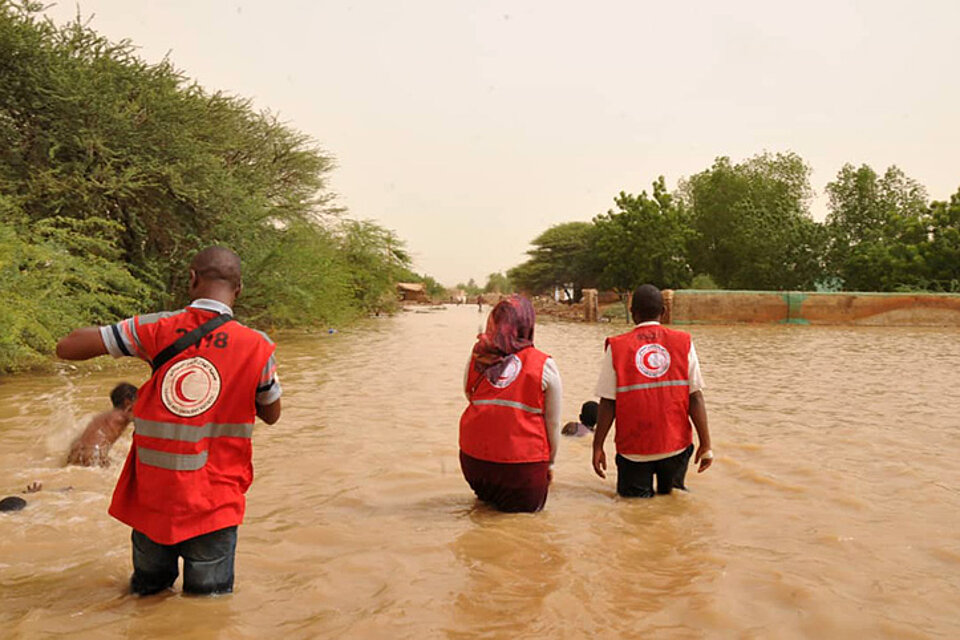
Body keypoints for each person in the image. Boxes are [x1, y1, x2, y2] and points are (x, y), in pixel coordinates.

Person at [56, 246, 282, 596]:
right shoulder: (257, 347)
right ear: (239, 289)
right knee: (207, 610)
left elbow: (68, 347)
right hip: (215, 503)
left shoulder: (155, 328)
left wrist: (125, 337)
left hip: (153, 498)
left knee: (147, 597)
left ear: (192, 279)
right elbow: (272, 414)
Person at [592, 284, 713, 497]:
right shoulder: (683, 342)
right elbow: (695, 396)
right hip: (675, 447)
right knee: (672, 504)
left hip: (634, 451)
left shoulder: (617, 347)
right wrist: (706, 445)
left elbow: (608, 403)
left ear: (632, 313)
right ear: (664, 313)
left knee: (635, 514)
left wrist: (598, 446)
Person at [459, 295, 562, 513]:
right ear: (527, 324)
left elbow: (471, 396)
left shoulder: (478, 356)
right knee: (525, 534)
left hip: (474, 464)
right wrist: (550, 464)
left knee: (483, 514)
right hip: (522, 469)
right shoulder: (544, 365)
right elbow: (552, 423)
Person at [67, 383, 137, 467]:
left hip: (77, 452)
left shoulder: (107, 415)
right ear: (127, 403)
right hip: (92, 456)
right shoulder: (123, 416)